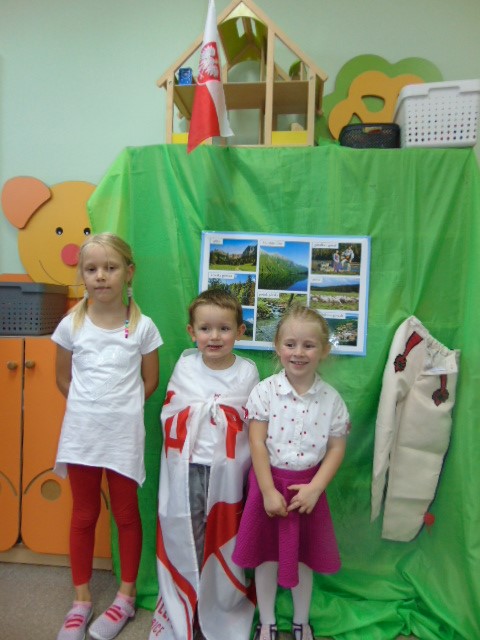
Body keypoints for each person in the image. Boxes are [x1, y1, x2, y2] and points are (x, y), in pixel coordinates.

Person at [52, 233, 162, 640]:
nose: (101, 276)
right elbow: (63, 380)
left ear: (128, 273)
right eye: (92, 269)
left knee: (126, 515)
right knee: (83, 515)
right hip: (81, 436)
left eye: (111, 268)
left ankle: (126, 597)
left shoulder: (143, 327)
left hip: (123, 438)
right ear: (82, 275)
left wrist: (119, 410)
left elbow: (149, 382)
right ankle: (81, 600)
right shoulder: (71, 324)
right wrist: (93, 408)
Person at [232, 305, 350, 640]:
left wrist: (316, 488)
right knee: (266, 559)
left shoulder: (332, 400)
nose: (298, 353)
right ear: (278, 347)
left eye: (308, 345)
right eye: (290, 344)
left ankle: (301, 621)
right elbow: (257, 442)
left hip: (307, 491)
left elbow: (336, 448)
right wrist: (268, 491)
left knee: (303, 560)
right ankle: (268, 621)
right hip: (269, 485)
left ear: (323, 350)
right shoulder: (265, 391)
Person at [149, 289, 259, 640]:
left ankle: (221, 604)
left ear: (240, 332)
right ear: (191, 331)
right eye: (205, 328)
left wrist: (219, 412)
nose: (214, 337)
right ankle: (190, 603)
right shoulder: (185, 366)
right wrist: (203, 411)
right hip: (190, 470)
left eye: (224, 329)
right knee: (191, 533)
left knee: (226, 537)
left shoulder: (247, 372)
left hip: (228, 476)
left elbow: (253, 422)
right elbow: (170, 411)